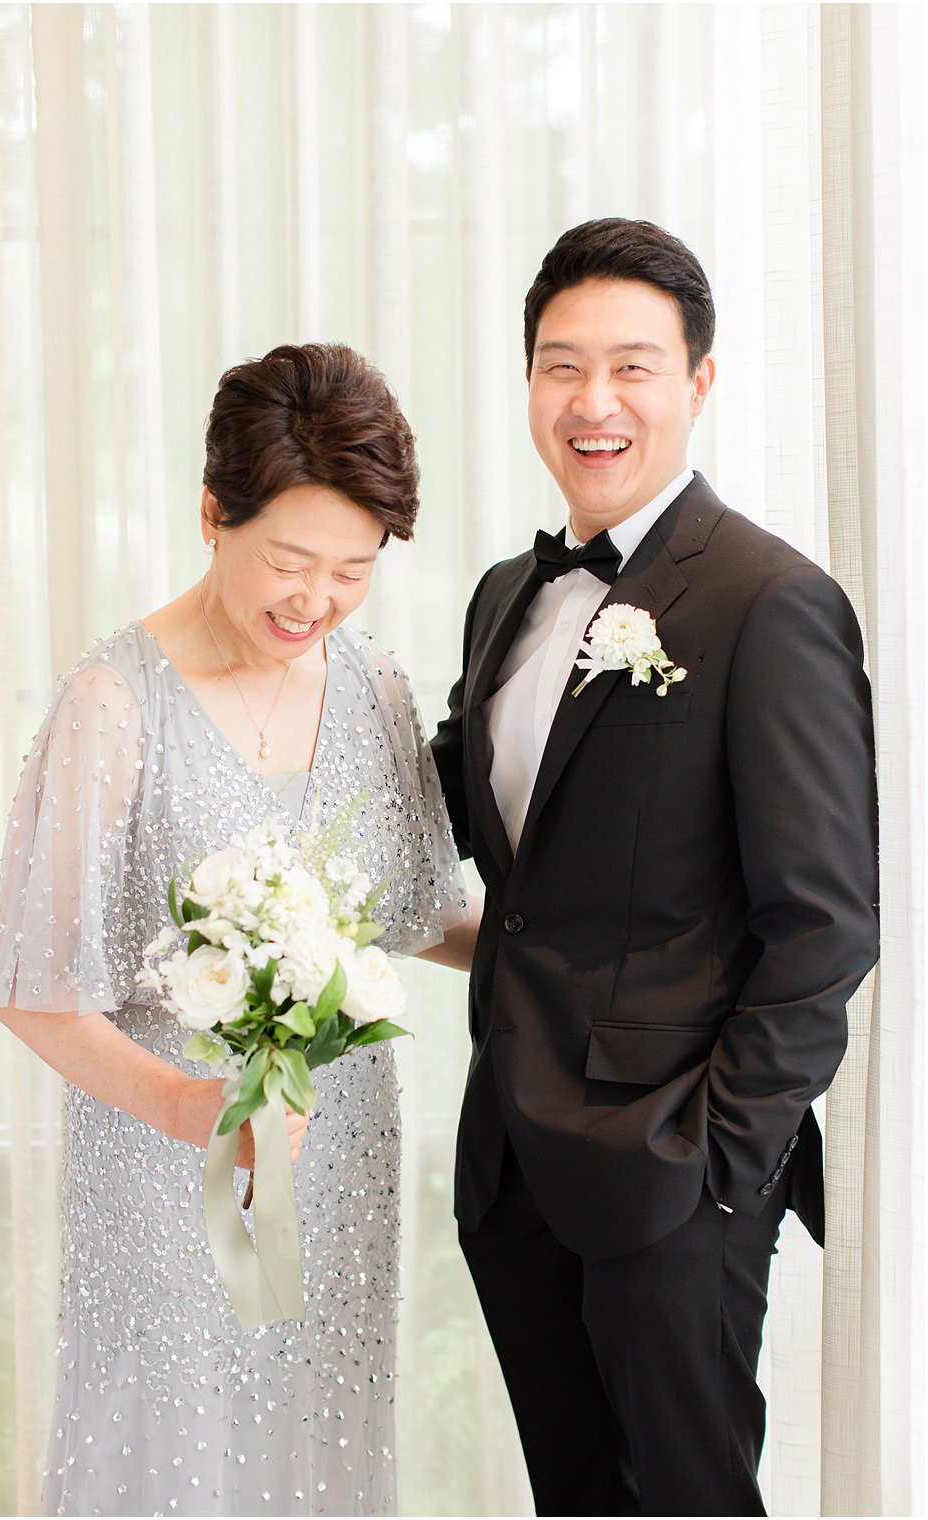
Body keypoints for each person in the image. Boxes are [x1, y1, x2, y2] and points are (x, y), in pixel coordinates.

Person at [429, 218, 879, 1517]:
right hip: (510, 1162)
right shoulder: (503, 593)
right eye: (560, 365)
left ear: (698, 380)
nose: (592, 399)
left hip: (671, 1177)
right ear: (526, 387)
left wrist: (716, 1168)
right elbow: (473, 820)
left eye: (631, 364)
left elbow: (821, 924)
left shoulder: (763, 600)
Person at [0, 343, 471, 1518]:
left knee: (319, 1440)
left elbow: (425, 907)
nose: (315, 602)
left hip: (338, 1161)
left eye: (351, 571)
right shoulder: (116, 702)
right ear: (213, 513)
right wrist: (197, 1109)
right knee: (173, 1448)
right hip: (167, 1172)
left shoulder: (374, 687)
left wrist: (590, 964)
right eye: (288, 560)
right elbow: (30, 984)